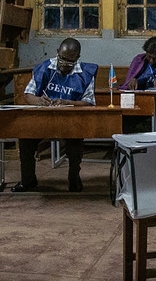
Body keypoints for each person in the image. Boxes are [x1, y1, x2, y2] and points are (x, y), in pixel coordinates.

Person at [12, 38, 97, 193]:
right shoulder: (45, 68)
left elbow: (89, 102)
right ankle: (28, 181)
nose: (65, 64)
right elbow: (28, 95)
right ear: (57, 52)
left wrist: (67, 102)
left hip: (70, 122)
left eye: (70, 61)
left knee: (76, 142)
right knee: (25, 139)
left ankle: (74, 179)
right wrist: (38, 100)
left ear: (77, 58)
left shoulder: (85, 74)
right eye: (62, 58)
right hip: (42, 120)